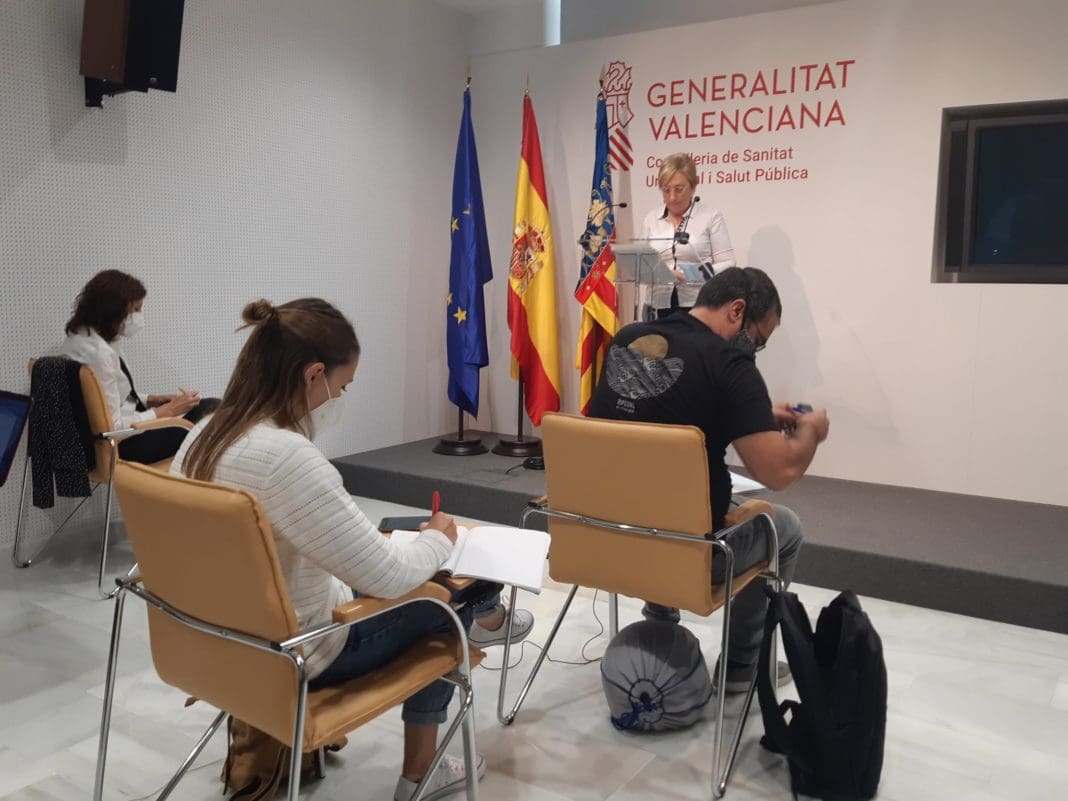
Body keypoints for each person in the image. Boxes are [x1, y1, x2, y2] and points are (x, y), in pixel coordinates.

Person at [171, 298, 533, 801]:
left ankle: (491, 617)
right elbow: (390, 578)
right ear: (313, 375)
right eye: (342, 387)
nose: (340, 398)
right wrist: (438, 537)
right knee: (446, 601)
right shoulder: (288, 457)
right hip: (299, 654)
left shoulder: (203, 435)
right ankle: (423, 770)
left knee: (417, 573)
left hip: (211, 643)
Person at [589, 267, 829, 692]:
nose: (755, 350)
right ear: (737, 310)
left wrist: (753, 414)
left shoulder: (629, 339)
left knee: (656, 493)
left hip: (606, 540)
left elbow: (666, 404)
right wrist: (810, 433)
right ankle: (741, 666)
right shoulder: (729, 364)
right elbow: (777, 471)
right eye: (759, 338)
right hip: (691, 553)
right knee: (784, 527)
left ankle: (661, 627)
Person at [61, 269, 216, 464]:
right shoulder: (100, 354)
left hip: (103, 439)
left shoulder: (78, 340)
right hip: (124, 445)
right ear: (114, 310)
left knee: (206, 407)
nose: (139, 316)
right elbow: (112, 428)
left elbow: (103, 399)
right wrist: (167, 411)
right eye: (136, 309)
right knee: (213, 408)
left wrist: (151, 399)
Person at [639, 153, 736, 318]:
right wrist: (663, 272)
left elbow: (728, 263)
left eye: (679, 189)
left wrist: (692, 274)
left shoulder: (711, 217)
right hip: (656, 307)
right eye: (666, 190)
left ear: (693, 186)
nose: (672, 197)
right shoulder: (651, 219)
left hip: (699, 306)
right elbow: (640, 266)